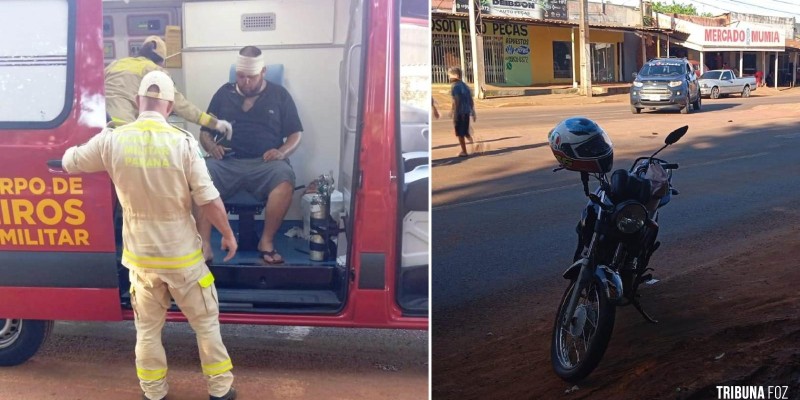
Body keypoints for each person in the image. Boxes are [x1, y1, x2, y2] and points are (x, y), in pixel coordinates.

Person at [61, 71, 238, 400]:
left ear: (136, 102)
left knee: (147, 329)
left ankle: (154, 392)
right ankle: (220, 389)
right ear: (169, 107)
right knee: (205, 324)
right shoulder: (182, 142)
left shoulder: (112, 140)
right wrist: (227, 234)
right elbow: (208, 199)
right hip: (183, 257)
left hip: (141, 259)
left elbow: (70, 162)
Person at [197, 46, 303, 264]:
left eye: (251, 77)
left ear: (263, 72)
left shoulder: (279, 95)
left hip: (265, 164)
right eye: (241, 76)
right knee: (199, 175)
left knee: (284, 178)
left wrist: (282, 152)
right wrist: (210, 147)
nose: (245, 82)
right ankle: (205, 245)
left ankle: (266, 242)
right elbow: (204, 131)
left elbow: (296, 134)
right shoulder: (223, 93)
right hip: (226, 162)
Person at [104, 35, 233, 139]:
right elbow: (182, 106)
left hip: (99, 125)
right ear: (161, 61)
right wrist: (214, 123)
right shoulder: (154, 71)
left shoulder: (116, 64)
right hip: (122, 130)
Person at [448, 66, 476, 157]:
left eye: (450, 75)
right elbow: (471, 100)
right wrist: (473, 111)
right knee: (465, 131)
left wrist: (454, 112)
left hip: (460, 113)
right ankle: (474, 144)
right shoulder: (465, 86)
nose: (449, 77)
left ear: (456, 75)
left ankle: (464, 151)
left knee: (460, 134)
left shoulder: (455, 87)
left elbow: (456, 101)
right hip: (466, 112)